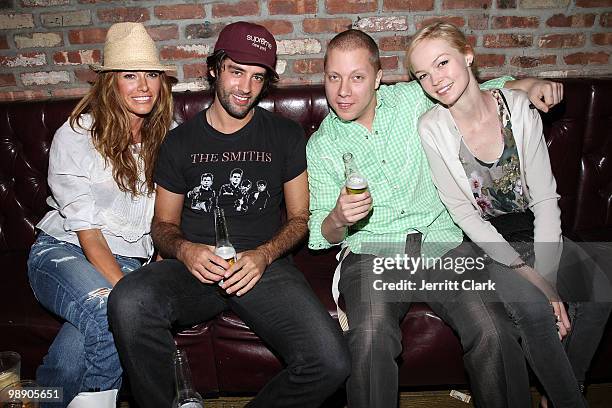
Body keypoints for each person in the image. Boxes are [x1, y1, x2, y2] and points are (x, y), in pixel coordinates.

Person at [307, 28, 565, 408]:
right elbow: (319, 233)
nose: (343, 91)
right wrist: (338, 217)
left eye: (357, 77)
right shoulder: (322, 145)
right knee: (371, 336)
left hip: (442, 242)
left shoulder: (413, 100)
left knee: (492, 330)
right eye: (334, 77)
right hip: (372, 252)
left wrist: (529, 83)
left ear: (378, 78)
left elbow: (473, 86)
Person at [107, 21, 350, 408]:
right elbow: (162, 225)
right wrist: (186, 251)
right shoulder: (180, 141)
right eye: (237, 72)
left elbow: (300, 218)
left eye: (257, 77)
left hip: (263, 268)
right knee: (128, 299)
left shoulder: (285, 135)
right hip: (195, 270)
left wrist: (263, 255)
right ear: (215, 69)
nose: (246, 88)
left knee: (331, 362)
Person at [408, 22, 612, 407]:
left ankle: (565, 389)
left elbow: (546, 200)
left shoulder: (518, 108)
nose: (435, 79)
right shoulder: (432, 128)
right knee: (535, 310)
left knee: (600, 292)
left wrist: (548, 275)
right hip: (487, 244)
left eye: (442, 63)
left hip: (535, 229)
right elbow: (466, 217)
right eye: (423, 74)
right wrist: (540, 285)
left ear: (467, 55)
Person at [26, 22, 175, 407]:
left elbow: (171, 216)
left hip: (130, 261)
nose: (143, 86)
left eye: (152, 75)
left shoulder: (171, 136)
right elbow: (88, 234)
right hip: (64, 251)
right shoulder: (76, 136)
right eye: (130, 76)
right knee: (112, 310)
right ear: (110, 83)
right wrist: (128, 291)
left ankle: (33, 399)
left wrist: (155, 269)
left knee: (66, 364)